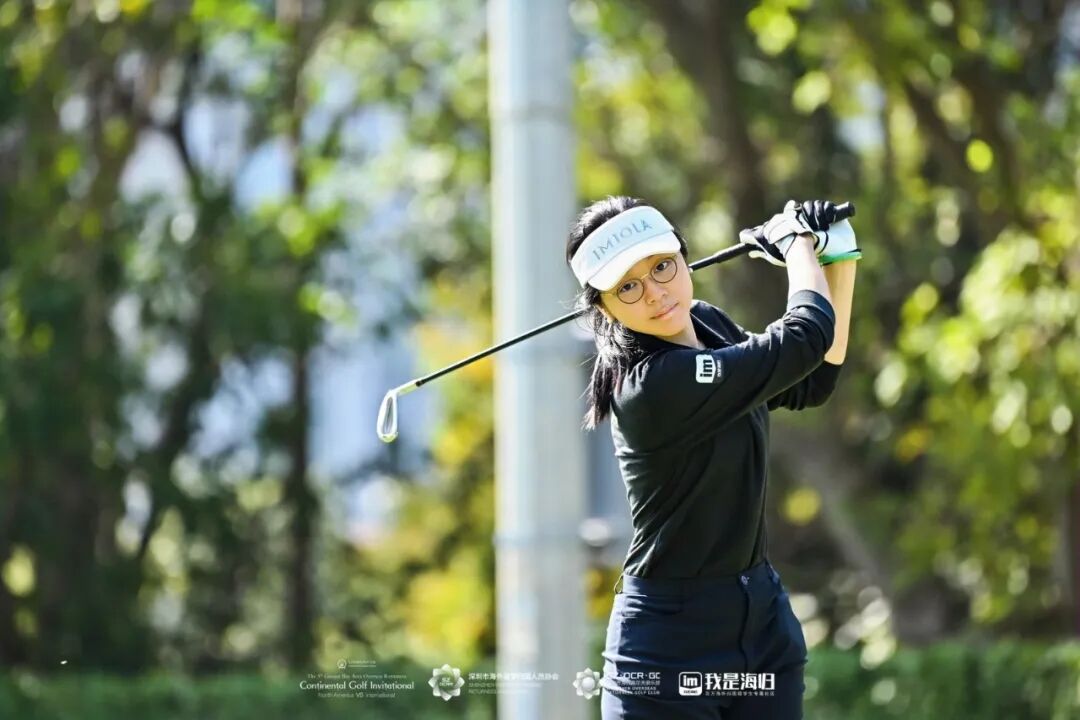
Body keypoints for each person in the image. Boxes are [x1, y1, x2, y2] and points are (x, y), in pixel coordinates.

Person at [565, 196, 859, 719]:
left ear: (684, 256)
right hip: (668, 649)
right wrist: (796, 244)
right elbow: (803, 338)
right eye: (628, 287)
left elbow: (811, 380)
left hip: (759, 623)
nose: (655, 293)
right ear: (604, 308)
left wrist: (838, 257)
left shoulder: (709, 325)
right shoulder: (651, 386)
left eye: (662, 267)